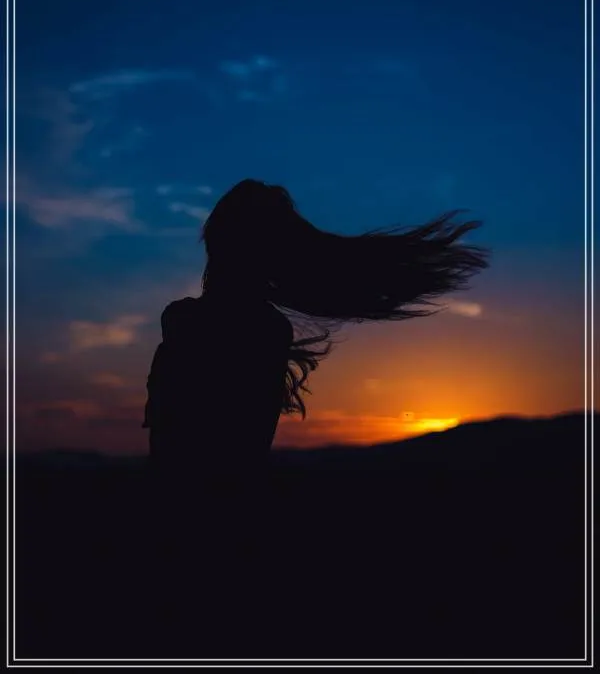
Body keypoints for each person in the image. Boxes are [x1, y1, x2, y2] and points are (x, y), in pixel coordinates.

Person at [142, 178, 489, 647]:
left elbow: (190, 439)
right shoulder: (254, 327)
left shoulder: (193, 321)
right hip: (220, 517)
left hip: (197, 519)